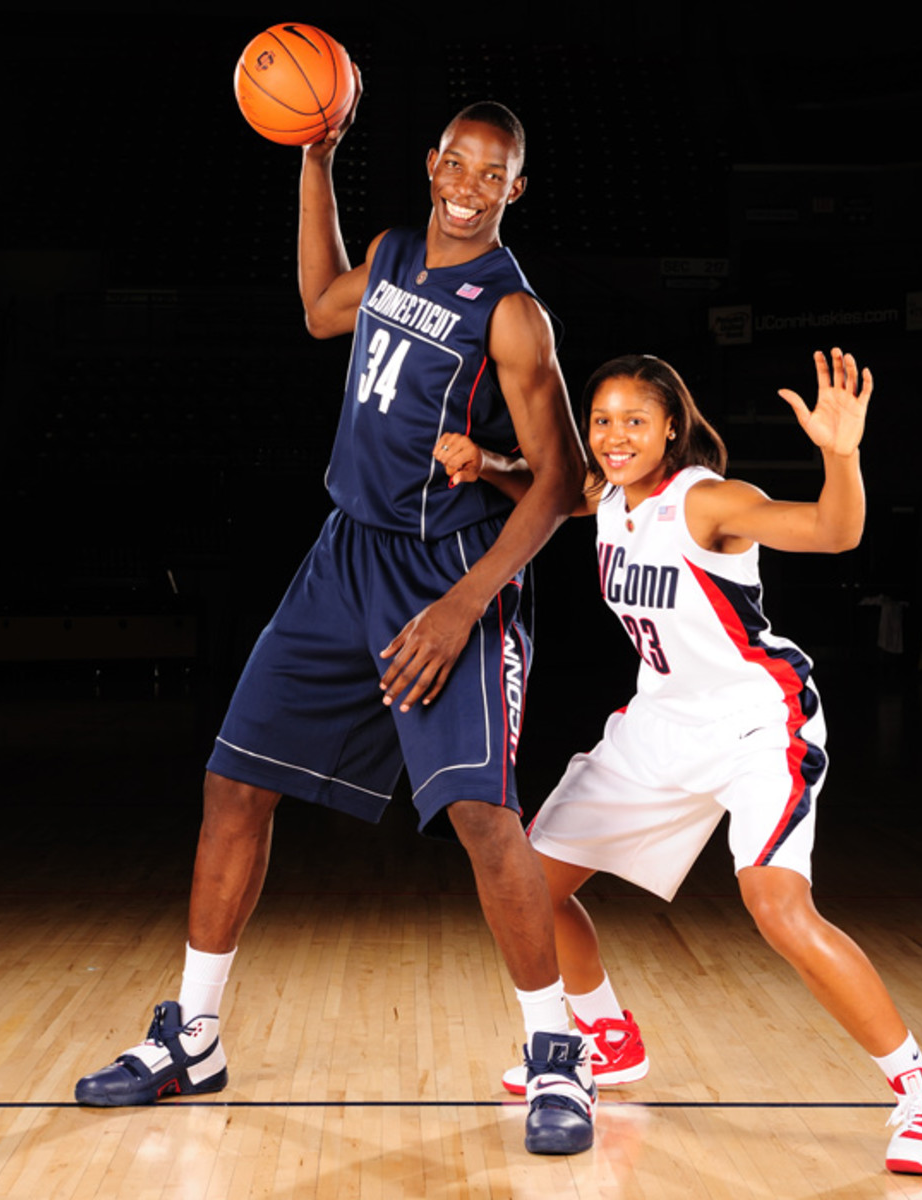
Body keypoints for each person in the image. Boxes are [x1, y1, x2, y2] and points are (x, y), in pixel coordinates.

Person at [74, 83, 599, 1156]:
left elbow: (563, 486)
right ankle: (195, 1036)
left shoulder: (514, 312)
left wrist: (463, 608)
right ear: (430, 164)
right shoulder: (399, 252)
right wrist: (314, 154)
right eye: (457, 163)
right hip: (343, 555)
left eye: (493, 173)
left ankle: (558, 1055)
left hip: (448, 571)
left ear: (516, 189)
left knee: (482, 819)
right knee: (234, 781)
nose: (469, 186)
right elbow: (320, 306)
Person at [434, 348, 922, 1176]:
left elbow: (835, 533)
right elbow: (550, 490)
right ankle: (604, 1037)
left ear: (671, 429)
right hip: (658, 721)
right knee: (528, 888)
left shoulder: (709, 501)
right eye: (602, 421)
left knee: (777, 908)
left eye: (634, 422)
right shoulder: (605, 492)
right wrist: (490, 461)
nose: (613, 437)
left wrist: (839, 452)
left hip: (755, 720)